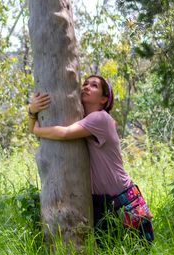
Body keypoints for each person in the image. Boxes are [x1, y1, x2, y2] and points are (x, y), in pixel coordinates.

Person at [27, 75, 154, 243]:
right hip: (101, 202)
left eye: (94, 86)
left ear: (103, 99)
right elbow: (48, 134)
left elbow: (62, 133)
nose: (86, 87)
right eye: (85, 83)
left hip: (122, 199)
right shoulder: (83, 121)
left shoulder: (100, 118)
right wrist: (32, 112)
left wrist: (35, 129)